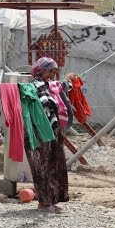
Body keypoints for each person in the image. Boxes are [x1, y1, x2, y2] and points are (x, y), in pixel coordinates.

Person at [24, 57, 76, 214]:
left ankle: (51, 200)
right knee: (42, 167)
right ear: (40, 70)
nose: (52, 75)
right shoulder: (31, 87)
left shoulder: (51, 87)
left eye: (55, 72)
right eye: (50, 71)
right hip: (37, 133)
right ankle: (44, 203)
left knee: (54, 165)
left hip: (52, 132)